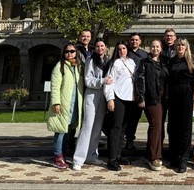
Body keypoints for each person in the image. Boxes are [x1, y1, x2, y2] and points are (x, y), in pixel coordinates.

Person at [71, 41, 113, 171]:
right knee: (87, 126)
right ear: (94, 48)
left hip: (103, 95)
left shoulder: (108, 61)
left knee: (97, 128)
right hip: (92, 94)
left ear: (106, 48)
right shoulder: (91, 60)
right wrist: (102, 81)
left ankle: (91, 155)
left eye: (102, 46)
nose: (100, 48)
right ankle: (78, 159)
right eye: (98, 46)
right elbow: (88, 80)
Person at [47, 43, 84, 169]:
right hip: (63, 103)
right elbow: (55, 86)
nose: (69, 53)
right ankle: (57, 156)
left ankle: (63, 153)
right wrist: (56, 102)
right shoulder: (60, 66)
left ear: (76, 53)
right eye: (67, 51)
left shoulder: (78, 67)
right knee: (60, 130)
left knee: (69, 130)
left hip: (74, 104)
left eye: (72, 51)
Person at [167, 38, 194, 173]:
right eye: (178, 45)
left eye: (182, 45)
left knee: (185, 127)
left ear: (186, 47)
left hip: (186, 92)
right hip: (173, 93)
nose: (180, 47)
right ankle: (174, 156)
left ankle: (183, 159)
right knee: (173, 126)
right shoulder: (172, 61)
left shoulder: (192, 60)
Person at [135, 40, 169, 171]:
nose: (155, 48)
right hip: (151, 99)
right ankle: (155, 157)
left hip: (163, 99)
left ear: (161, 48)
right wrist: (141, 97)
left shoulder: (164, 62)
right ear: (150, 48)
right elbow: (140, 80)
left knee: (157, 126)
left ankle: (149, 154)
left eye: (157, 46)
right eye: (153, 46)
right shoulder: (145, 62)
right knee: (156, 126)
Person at [103, 41, 137, 171]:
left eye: (124, 48)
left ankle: (118, 155)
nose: (122, 51)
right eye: (119, 49)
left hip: (130, 98)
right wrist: (110, 99)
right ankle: (112, 159)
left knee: (123, 129)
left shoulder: (131, 62)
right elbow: (109, 82)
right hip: (118, 97)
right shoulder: (115, 63)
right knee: (116, 128)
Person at [125, 33, 148, 150]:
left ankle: (130, 139)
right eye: (132, 40)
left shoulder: (144, 55)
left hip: (138, 90)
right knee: (125, 116)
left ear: (140, 41)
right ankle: (122, 138)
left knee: (135, 116)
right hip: (125, 89)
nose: (134, 42)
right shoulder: (125, 52)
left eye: (136, 40)